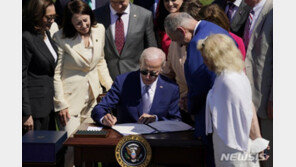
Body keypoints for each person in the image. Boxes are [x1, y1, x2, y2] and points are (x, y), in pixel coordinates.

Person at [164, 12, 232, 167]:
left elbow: (198, 85)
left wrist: (190, 104)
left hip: (209, 119)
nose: (181, 45)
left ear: (182, 31)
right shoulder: (215, 28)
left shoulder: (196, 44)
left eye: (178, 41)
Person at [199, 34, 269, 167]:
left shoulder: (229, 80)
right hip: (227, 143)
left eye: (205, 57)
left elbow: (247, 111)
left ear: (215, 57)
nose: (204, 62)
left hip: (236, 147)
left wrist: (259, 142)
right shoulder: (228, 75)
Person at [53, 0, 113, 137]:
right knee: (71, 144)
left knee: (91, 142)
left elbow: (100, 61)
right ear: (70, 23)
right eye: (78, 23)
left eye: (86, 20)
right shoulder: (60, 38)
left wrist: (110, 87)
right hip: (70, 102)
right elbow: (56, 74)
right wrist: (60, 104)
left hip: (94, 98)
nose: (84, 25)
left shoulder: (99, 29)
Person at [91, 47, 181, 126]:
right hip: (126, 138)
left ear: (162, 68)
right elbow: (99, 108)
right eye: (144, 72)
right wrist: (104, 118)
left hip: (157, 139)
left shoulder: (171, 88)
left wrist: (156, 119)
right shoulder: (123, 82)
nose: (147, 77)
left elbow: (175, 120)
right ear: (140, 64)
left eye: (153, 73)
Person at [161, 0, 203, 125]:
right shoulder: (175, 44)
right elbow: (168, 72)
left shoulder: (206, 43)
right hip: (183, 108)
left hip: (203, 107)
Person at [93, 0, 157, 80]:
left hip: (136, 76)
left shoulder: (144, 15)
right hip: (106, 78)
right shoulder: (96, 15)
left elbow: (151, 49)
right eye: (114, 2)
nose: (119, 6)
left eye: (122, 2)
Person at [242, 0, 273, 166]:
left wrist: (274, 98)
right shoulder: (249, 11)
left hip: (267, 99)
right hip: (252, 96)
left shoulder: (274, 10)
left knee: (271, 157)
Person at [22, 0, 57, 133]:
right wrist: (25, 113)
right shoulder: (26, 38)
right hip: (34, 111)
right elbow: (21, 78)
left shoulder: (46, 34)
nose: (52, 21)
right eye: (48, 17)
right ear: (36, 15)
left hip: (48, 106)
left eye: (54, 17)